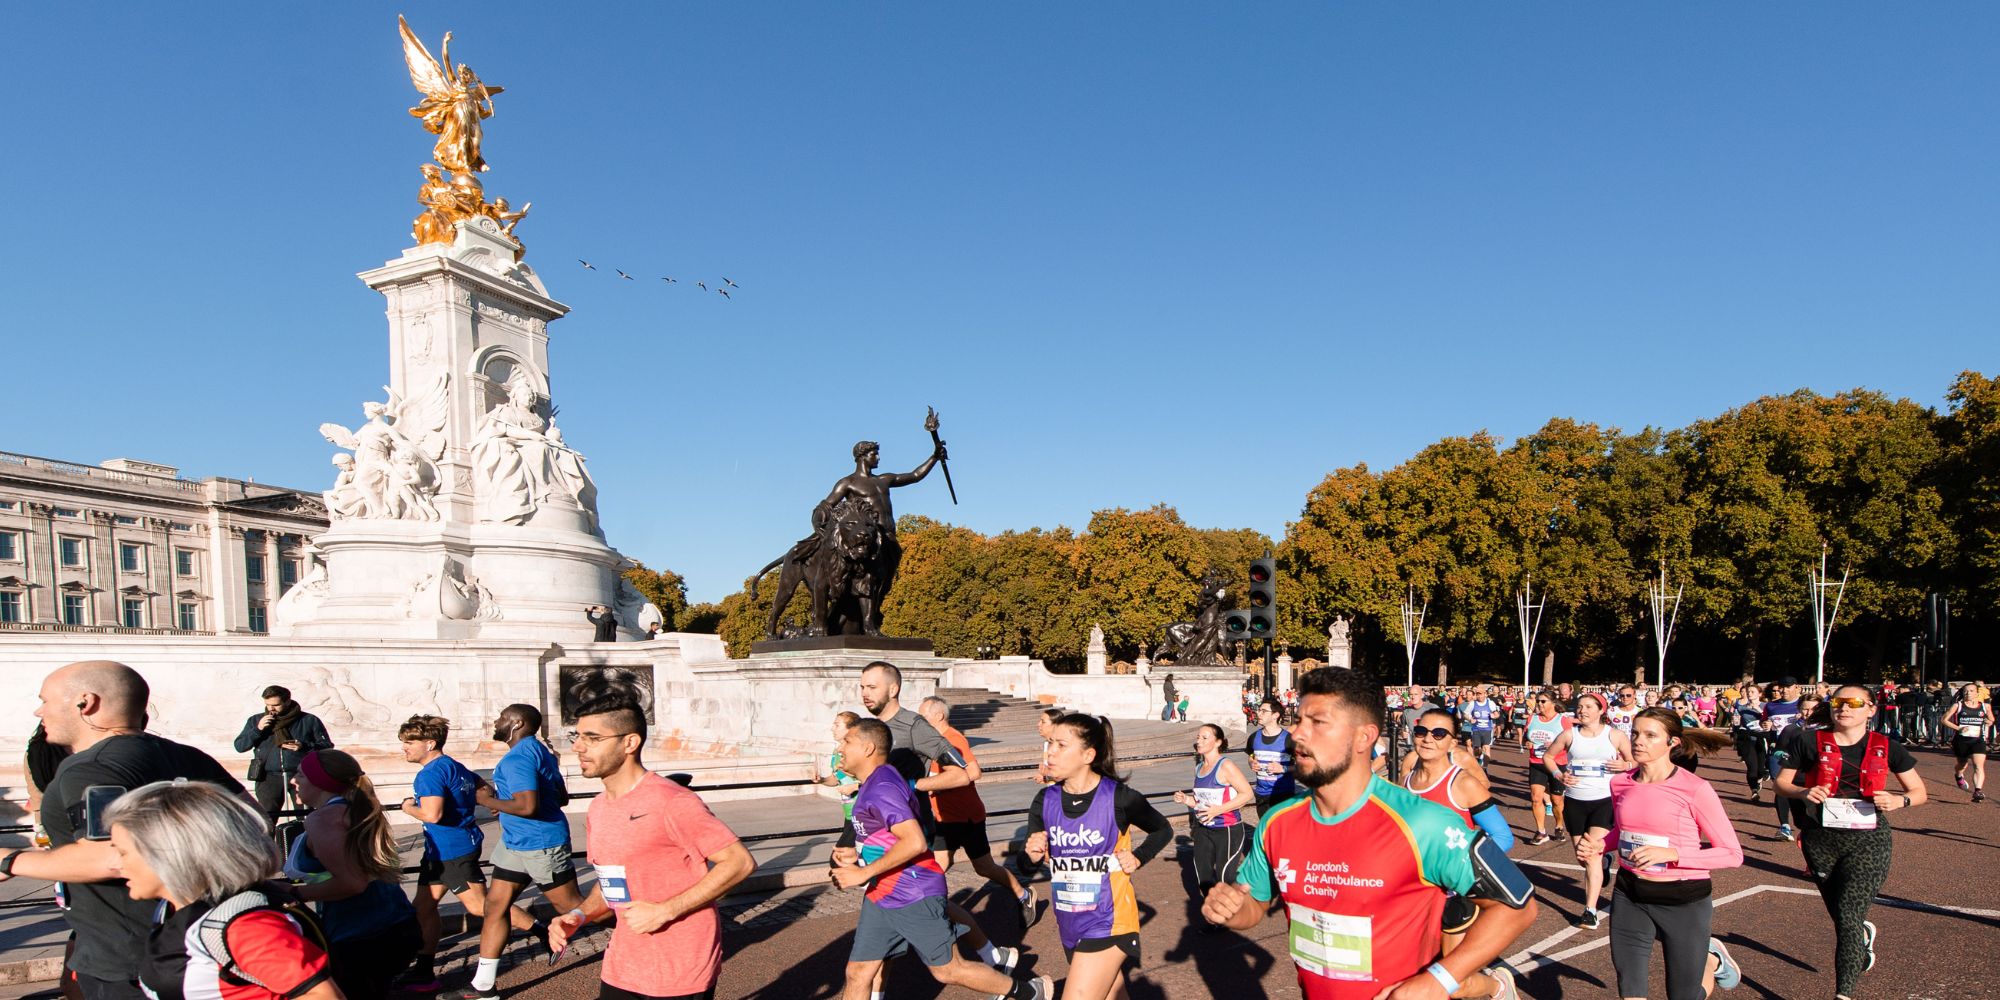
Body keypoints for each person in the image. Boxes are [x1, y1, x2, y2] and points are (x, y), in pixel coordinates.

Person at [1202, 667, 1537, 1000]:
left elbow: (1518, 906)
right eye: (1298, 720)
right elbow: (1256, 904)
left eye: (1317, 722)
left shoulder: (1424, 822)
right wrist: (1233, 911)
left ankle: (1496, 987)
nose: (1297, 734)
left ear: (1364, 737)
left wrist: (1438, 981)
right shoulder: (1277, 822)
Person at [2, 660, 246, 1000]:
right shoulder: (190, 756)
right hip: (201, 941)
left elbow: (108, 857)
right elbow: (257, 829)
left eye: (45, 700)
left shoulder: (91, 767)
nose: (38, 711)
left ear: (85, 703)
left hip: (128, 958)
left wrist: (10, 860)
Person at [546, 693, 755, 1000]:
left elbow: (739, 862)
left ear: (629, 743)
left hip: (680, 968)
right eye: (577, 736)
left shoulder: (672, 801)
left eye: (592, 738)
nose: (578, 746)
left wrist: (665, 910)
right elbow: (612, 884)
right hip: (624, 964)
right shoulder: (599, 808)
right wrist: (579, 915)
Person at [834, 718, 1052, 1000]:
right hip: (882, 895)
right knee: (858, 973)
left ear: (868, 748)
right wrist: (859, 853)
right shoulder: (875, 782)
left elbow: (914, 841)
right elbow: (886, 836)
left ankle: (1028, 992)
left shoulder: (881, 788)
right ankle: (999, 960)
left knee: (948, 970)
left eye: (847, 741)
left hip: (912, 893)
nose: (840, 747)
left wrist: (863, 873)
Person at [105, 781, 342, 1000]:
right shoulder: (171, 908)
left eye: (123, 852)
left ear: (173, 853)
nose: (114, 864)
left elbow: (323, 996)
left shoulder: (245, 926)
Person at [852, 663, 1011, 974]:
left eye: (872, 687)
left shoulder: (915, 727)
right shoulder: (870, 728)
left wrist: (914, 785)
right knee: (920, 908)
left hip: (909, 834)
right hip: (878, 833)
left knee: (905, 916)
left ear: (893, 689)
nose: (864, 693)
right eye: (862, 687)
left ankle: (1004, 974)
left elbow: (963, 773)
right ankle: (993, 955)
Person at [1773, 684, 1929, 1000]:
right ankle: (1860, 940)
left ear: (1871, 709)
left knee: (1847, 913)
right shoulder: (1808, 741)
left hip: (1869, 841)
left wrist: (1900, 802)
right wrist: (1803, 792)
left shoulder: (1887, 746)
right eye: (1838, 702)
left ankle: (1843, 994)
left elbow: (1919, 792)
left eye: (1854, 702)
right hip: (1821, 841)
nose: (1844, 708)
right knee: (1843, 918)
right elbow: (1780, 783)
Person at [1575, 709, 1743, 1000]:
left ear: (1672, 743)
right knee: (1630, 988)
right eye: (1636, 733)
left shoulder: (1695, 789)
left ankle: (1711, 960)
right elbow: (1623, 830)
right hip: (1631, 895)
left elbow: (1731, 854)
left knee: (1683, 995)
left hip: (1684, 900)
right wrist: (1601, 844)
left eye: (1650, 735)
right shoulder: (1620, 782)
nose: (1639, 741)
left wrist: (1672, 854)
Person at [1025, 714, 1172, 1000]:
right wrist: (1030, 855)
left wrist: (1139, 856)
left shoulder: (1119, 798)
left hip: (1109, 920)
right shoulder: (1044, 800)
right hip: (1069, 919)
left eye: (1061, 745)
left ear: (1088, 755)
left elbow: (1162, 829)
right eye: (1049, 743)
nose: (1050, 752)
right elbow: (1025, 863)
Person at [393, 716, 536, 993]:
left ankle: (543, 931)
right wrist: (493, 805)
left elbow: (432, 814)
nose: (404, 748)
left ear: (430, 743)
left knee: (480, 906)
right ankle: (423, 972)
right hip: (444, 848)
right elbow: (484, 788)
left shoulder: (430, 774)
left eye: (410, 742)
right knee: (423, 907)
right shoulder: (453, 766)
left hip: (450, 850)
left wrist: (408, 808)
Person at [452, 705, 583, 1000]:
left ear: (517, 723)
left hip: (541, 845)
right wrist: (503, 802)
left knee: (578, 909)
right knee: (494, 907)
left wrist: (489, 800)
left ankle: (645, 940)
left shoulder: (517, 759)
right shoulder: (539, 751)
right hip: (515, 844)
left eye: (501, 717)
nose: (496, 722)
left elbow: (527, 806)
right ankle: (484, 987)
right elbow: (560, 797)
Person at [283, 750, 420, 998]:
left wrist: (294, 892)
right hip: (393, 923)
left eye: (301, 775)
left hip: (360, 936)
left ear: (320, 781)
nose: (293, 781)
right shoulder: (354, 808)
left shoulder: (323, 819)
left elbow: (352, 883)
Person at [917, 696, 1038, 928]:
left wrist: (932, 783)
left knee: (984, 868)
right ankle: (931, 914)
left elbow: (973, 772)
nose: (920, 721)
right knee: (937, 866)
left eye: (923, 716)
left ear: (938, 716)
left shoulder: (952, 739)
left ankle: (1024, 895)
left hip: (966, 817)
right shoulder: (932, 741)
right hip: (944, 818)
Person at [1544, 692, 1635, 929]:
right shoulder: (1568, 735)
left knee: (1590, 854)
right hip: (1575, 801)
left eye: (1587, 707)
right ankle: (1604, 862)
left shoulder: (1614, 735)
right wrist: (1559, 775)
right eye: (1579, 707)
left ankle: (1590, 910)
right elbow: (1548, 757)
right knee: (1583, 856)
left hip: (1603, 801)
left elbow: (1637, 761)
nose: (1581, 710)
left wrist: (1625, 765)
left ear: (1600, 710)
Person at [1173, 723, 1254, 899]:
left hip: (1227, 829)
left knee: (1225, 877)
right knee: (1204, 877)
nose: (1199, 741)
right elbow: (1202, 802)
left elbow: (1247, 793)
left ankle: (1235, 912)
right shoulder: (1199, 768)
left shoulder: (1226, 766)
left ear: (1218, 742)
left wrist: (1219, 810)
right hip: (1203, 829)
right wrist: (1187, 800)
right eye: (1198, 738)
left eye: (1204, 737)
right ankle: (1216, 916)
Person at [232, 686, 334, 825]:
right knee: (265, 822)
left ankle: (303, 845)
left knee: (306, 819)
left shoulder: (308, 720)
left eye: (276, 705)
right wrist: (258, 729)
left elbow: (326, 746)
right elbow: (240, 746)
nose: (271, 709)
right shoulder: (256, 720)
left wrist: (303, 746)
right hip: (268, 777)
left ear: (287, 702)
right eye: (267, 705)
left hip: (300, 776)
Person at [1524, 691, 1572, 845]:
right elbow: (1526, 736)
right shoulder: (1532, 718)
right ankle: (1541, 831)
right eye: (1538, 701)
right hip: (1536, 763)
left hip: (1557, 764)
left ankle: (1559, 826)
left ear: (1553, 703)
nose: (1539, 704)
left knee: (1556, 800)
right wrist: (1526, 743)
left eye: (1543, 701)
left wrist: (1556, 747)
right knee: (1536, 798)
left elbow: (1572, 743)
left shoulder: (1562, 720)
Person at [1762, 680, 1806, 840]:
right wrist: (1765, 725)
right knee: (1779, 784)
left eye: (1788, 687)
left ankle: (1804, 825)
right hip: (1780, 750)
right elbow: (1764, 722)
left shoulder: (1805, 703)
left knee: (1801, 787)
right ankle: (1785, 827)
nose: (1784, 690)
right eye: (1782, 687)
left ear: (1797, 688)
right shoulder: (1771, 706)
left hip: (1803, 753)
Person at [1245, 699, 1297, 820]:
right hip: (1261, 794)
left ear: (1275, 715)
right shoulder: (1253, 737)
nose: (1259, 713)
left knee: (1282, 834)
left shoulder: (1289, 739)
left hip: (1283, 794)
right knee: (1265, 832)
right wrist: (1252, 763)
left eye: (1263, 711)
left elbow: (1304, 766)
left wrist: (1283, 768)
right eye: (1259, 710)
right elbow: (1250, 756)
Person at [1942, 683, 1989, 801]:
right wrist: (1959, 728)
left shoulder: (1985, 706)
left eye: (1971, 691)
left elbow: (1991, 719)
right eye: (1966, 691)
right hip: (1961, 740)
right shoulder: (1957, 705)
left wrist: (1989, 721)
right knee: (1962, 764)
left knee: (1978, 765)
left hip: (1978, 740)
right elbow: (1944, 720)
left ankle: (1978, 791)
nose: (1968, 693)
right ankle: (1958, 775)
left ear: (1977, 693)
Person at [815, 711, 863, 822]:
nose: (832, 729)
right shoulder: (837, 751)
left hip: (864, 812)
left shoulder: (857, 750)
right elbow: (837, 778)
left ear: (850, 729)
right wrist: (821, 779)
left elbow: (874, 779)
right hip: (849, 813)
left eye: (837, 725)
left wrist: (854, 787)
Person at [1728, 686, 1766, 802]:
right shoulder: (1741, 708)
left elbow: (1769, 719)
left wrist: (1758, 709)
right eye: (1748, 691)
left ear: (1759, 694)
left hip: (1762, 738)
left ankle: (1760, 778)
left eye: (1752, 691)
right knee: (1751, 767)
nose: (1749, 693)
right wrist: (1735, 725)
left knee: (1760, 768)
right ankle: (1754, 791)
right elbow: (1736, 722)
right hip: (1747, 738)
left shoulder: (1765, 706)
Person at [1458, 686, 1500, 767]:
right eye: (1477, 694)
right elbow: (1465, 714)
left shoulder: (1490, 703)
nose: (1479, 696)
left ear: (1485, 694)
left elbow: (1497, 714)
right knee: (1477, 750)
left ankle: (1485, 768)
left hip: (1487, 729)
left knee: (1486, 748)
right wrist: (1470, 719)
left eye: (1481, 694)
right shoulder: (1473, 703)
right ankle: (1479, 758)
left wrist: (1494, 716)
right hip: (1476, 729)